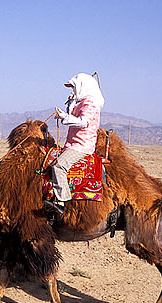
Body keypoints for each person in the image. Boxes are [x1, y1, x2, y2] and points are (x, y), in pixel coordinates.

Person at [45, 73, 105, 214]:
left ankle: (61, 201)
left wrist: (65, 117)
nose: (73, 90)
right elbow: (72, 116)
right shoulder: (82, 102)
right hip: (72, 143)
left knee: (59, 166)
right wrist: (70, 105)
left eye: (74, 87)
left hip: (81, 145)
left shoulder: (90, 103)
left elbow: (84, 122)